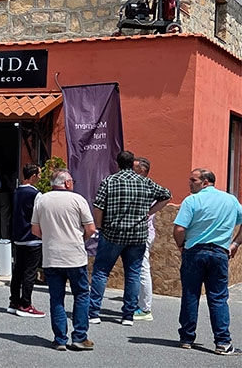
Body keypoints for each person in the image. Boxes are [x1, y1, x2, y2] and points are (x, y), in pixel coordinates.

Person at [88, 150, 171, 326]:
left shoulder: (110, 181)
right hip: (137, 235)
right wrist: (150, 212)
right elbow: (166, 195)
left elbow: (98, 205)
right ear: (132, 163)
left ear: (117, 163)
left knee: (101, 272)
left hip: (112, 233)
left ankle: (94, 312)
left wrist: (100, 225)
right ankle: (128, 315)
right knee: (133, 274)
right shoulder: (145, 182)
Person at [173, 168, 242, 355]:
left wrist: (181, 246)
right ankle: (222, 342)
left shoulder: (192, 201)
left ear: (205, 182)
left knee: (190, 294)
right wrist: (235, 243)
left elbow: (179, 229)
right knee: (218, 297)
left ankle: (187, 338)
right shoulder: (231, 200)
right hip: (219, 253)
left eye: (193, 180)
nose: (189, 183)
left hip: (194, 252)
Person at [31, 169, 96, 351]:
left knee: (56, 298)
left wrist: (51, 238)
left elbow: (35, 230)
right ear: (67, 183)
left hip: (52, 256)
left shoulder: (41, 200)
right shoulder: (78, 200)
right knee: (81, 294)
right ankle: (80, 337)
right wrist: (78, 239)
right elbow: (90, 229)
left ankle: (60, 339)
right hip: (74, 256)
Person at [8, 163, 44, 318]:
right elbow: (40, 215)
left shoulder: (17, 191)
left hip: (18, 236)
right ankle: (26, 304)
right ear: (34, 175)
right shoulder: (36, 194)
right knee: (30, 272)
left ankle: (14, 301)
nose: (41, 176)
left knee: (18, 270)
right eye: (39, 174)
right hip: (32, 238)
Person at [132, 157, 156, 321]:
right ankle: (138, 303)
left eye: (133, 168)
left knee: (142, 268)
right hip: (140, 232)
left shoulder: (147, 187)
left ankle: (145, 308)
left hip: (143, 232)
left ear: (141, 171)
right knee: (137, 268)